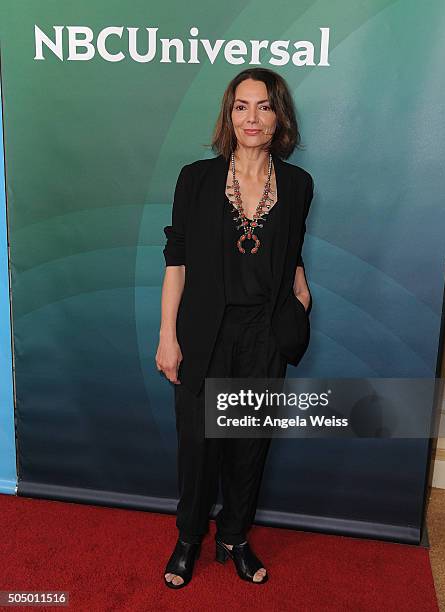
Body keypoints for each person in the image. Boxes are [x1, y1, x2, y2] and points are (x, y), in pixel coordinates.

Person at [156, 67, 314, 589]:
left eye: (264, 106)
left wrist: (299, 285)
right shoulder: (195, 179)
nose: (252, 117)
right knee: (198, 444)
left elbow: (291, 248)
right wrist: (167, 335)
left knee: (250, 443)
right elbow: (176, 260)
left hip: (264, 333)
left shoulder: (297, 185)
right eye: (242, 105)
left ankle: (236, 536)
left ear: (278, 117)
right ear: (229, 114)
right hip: (206, 332)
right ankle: (188, 538)